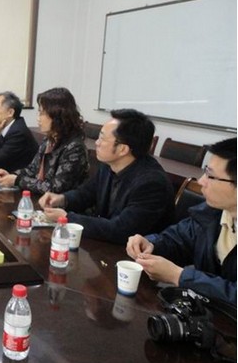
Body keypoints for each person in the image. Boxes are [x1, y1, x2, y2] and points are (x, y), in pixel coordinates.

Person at [38, 109, 174, 245]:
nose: (97, 143)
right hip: (106, 245)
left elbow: (121, 229)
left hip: (131, 253)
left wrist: (68, 218)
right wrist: (62, 199)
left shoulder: (151, 183)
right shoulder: (110, 165)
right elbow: (86, 193)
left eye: (102, 138)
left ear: (122, 149)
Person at [127, 138, 236, 305]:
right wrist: (151, 244)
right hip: (202, 312)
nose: (201, 181)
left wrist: (179, 276)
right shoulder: (211, 213)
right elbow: (178, 240)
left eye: (210, 175)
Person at [0, 87, 88, 194]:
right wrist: (11, 175)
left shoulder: (74, 147)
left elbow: (56, 188)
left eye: (42, 113)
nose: (38, 118)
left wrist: (17, 180)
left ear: (57, 115)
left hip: (61, 204)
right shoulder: (49, 139)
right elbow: (32, 169)